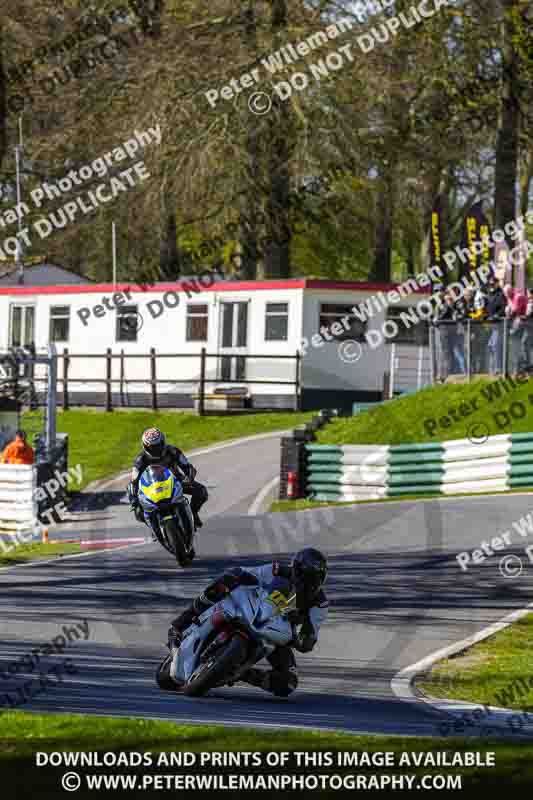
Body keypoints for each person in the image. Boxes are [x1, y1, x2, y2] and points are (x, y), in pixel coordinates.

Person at [166, 548, 329, 697]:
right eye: (301, 575)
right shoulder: (277, 570)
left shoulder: (319, 604)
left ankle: (242, 673)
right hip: (255, 609)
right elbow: (249, 574)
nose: (303, 583)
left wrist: (300, 639)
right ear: (294, 569)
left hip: (278, 632)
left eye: (311, 580)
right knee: (230, 577)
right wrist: (238, 577)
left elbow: (309, 637)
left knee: (287, 684)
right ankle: (183, 622)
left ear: (320, 581)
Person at [128, 427, 208, 529]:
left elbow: (188, 467)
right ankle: (154, 528)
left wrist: (189, 478)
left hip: (176, 482)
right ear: (145, 447)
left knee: (202, 492)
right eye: (152, 448)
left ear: (163, 442)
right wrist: (134, 502)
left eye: (158, 446)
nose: (156, 450)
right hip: (152, 489)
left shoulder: (173, 451)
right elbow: (133, 482)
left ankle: (193, 514)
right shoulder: (140, 460)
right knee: (138, 512)